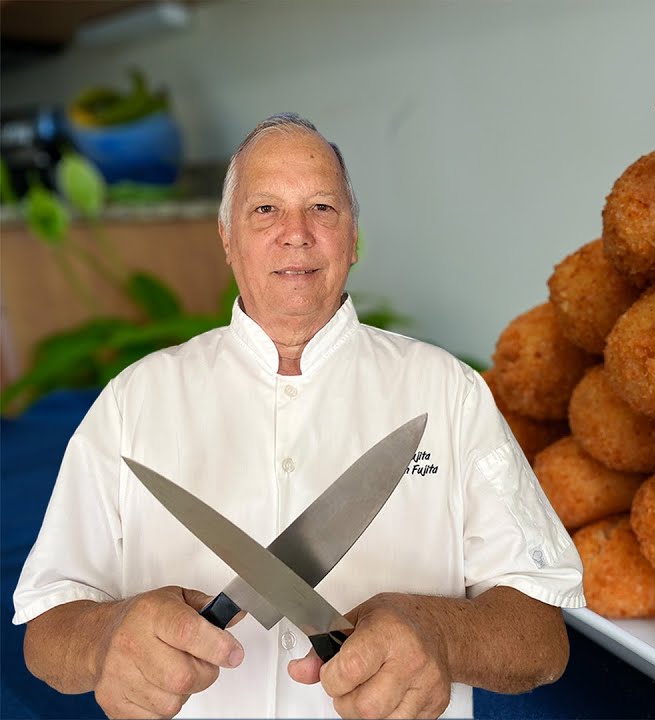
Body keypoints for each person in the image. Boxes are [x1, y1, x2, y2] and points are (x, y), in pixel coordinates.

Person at [13, 113, 585, 719]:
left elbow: (542, 639)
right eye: (265, 210)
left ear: (354, 239)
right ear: (227, 238)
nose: (296, 233)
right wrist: (108, 639)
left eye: (322, 208)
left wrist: (443, 635)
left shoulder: (449, 393)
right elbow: (47, 628)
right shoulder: (134, 400)